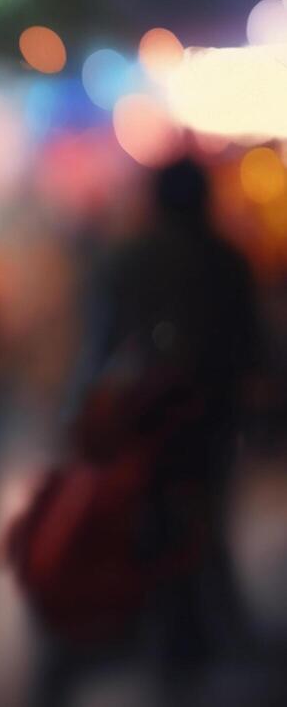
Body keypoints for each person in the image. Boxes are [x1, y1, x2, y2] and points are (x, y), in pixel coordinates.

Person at [42, 158, 258, 700]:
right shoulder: (228, 262)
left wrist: (79, 417)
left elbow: (98, 350)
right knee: (202, 531)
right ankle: (191, 646)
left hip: (136, 430)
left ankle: (149, 637)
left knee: (141, 531)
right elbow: (253, 351)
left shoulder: (126, 260)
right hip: (207, 429)